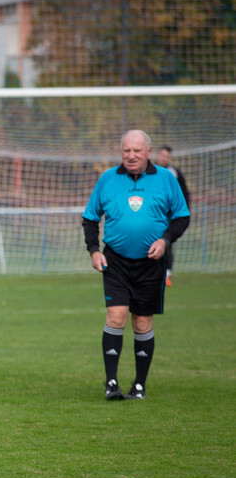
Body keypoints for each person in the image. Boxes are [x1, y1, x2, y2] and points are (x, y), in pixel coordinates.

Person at [83, 129, 189, 401]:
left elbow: (181, 217)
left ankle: (139, 386)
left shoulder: (166, 179)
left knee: (142, 322)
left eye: (137, 151)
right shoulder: (107, 178)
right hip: (115, 260)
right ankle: (111, 383)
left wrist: (165, 240)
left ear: (148, 152)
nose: (131, 156)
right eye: (126, 150)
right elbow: (90, 218)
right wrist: (94, 251)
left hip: (151, 264)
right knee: (116, 316)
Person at [153, 146, 191, 287]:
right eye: (162, 155)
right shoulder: (148, 170)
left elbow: (184, 194)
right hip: (152, 214)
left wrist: (183, 213)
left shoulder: (174, 173)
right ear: (157, 155)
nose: (164, 158)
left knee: (166, 243)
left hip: (169, 215)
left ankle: (167, 274)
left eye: (167, 156)